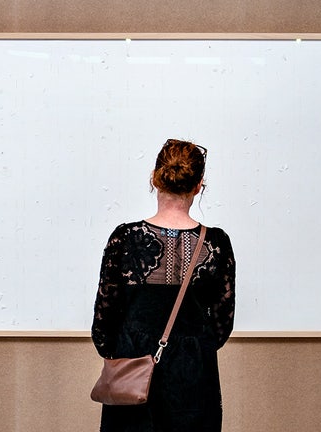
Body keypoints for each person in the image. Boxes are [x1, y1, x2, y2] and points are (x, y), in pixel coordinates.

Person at [92, 138, 236, 432]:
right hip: (194, 375)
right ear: (198, 186)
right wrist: (192, 346)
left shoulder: (125, 238)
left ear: (155, 180)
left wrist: (122, 349)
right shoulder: (216, 243)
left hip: (133, 373)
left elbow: (103, 322)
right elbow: (222, 324)